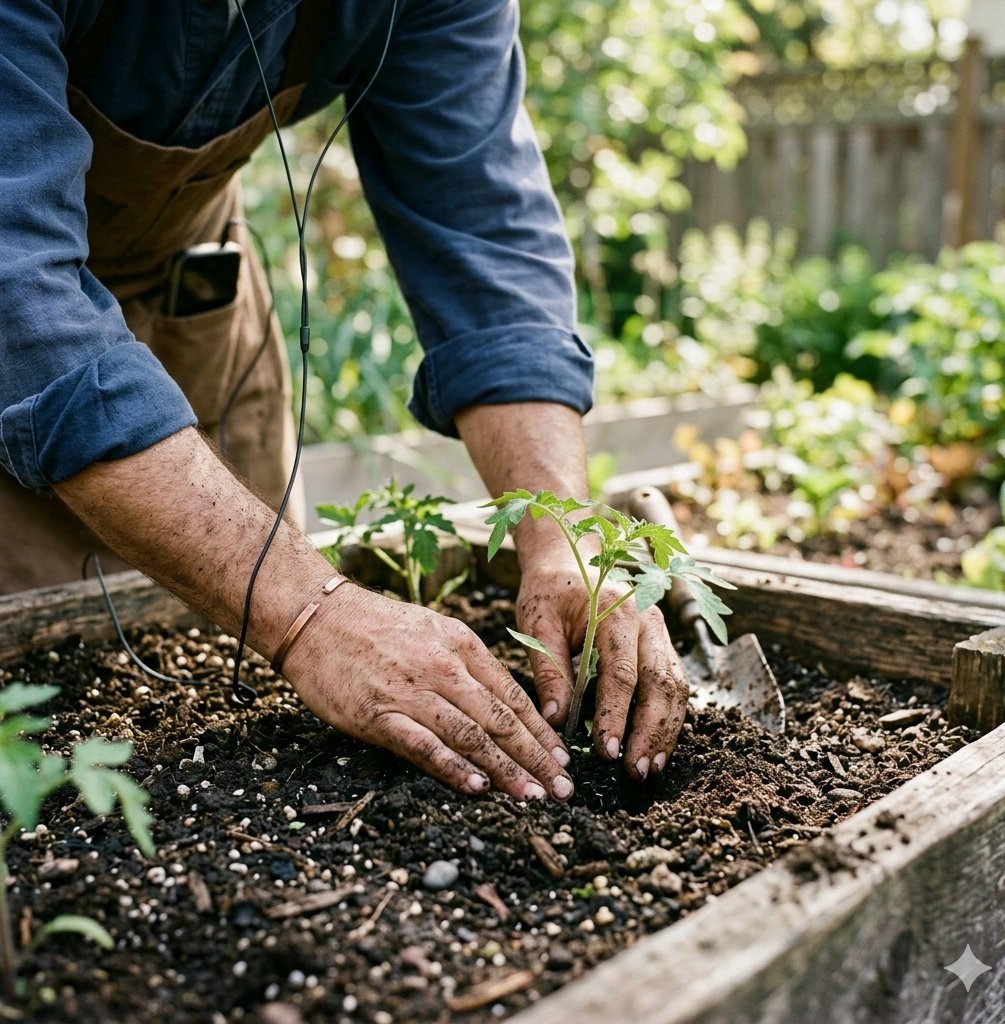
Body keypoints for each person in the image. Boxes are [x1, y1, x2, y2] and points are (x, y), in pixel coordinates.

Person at [0, 0, 690, 799]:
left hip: (191, 289)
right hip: (24, 304)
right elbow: (19, 298)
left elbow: (487, 241)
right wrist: (307, 612)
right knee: (34, 735)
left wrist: (562, 531)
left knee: (228, 637)